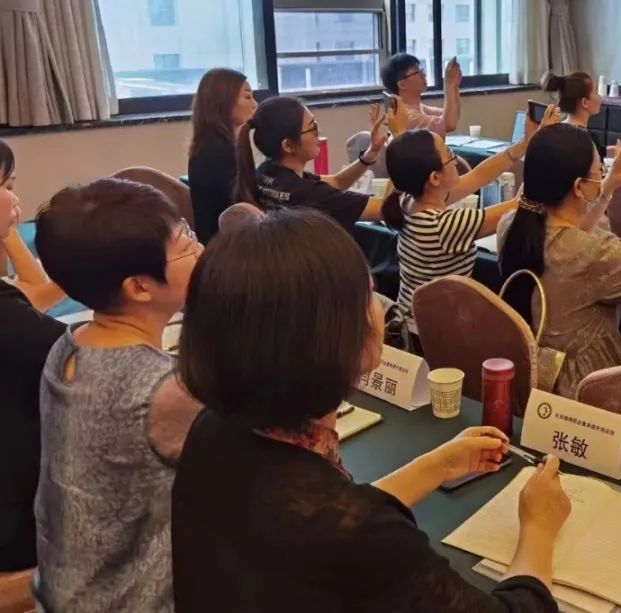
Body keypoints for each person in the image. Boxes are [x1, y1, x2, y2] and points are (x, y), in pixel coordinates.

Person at [171, 208, 570, 612]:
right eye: (369, 294)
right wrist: (539, 527)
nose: (378, 309)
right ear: (330, 337)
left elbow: (324, 518)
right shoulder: (364, 541)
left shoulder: (212, 430)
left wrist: (437, 466)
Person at [33, 178, 204, 611]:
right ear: (140, 287)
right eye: (185, 241)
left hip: (65, 593)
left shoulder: (68, 345)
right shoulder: (161, 390)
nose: (200, 248)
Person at [499, 124, 621, 397]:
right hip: (584, 390)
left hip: (527, 376)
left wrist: (605, 189)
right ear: (579, 187)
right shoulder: (594, 253)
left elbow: (568, 237)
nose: (601, 178)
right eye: (598, 173)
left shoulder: (511, 226)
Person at [383, 104, 560, 314]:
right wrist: (540, 148)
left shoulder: (407, 202)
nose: (455, 158)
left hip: (411, 319)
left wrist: (526, 142)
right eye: (449, 154)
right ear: (435, 178)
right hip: (436, 328)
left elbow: (478, 175)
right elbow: (522, 204)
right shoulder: (443, 226)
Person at [0, 140, 66, 572]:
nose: (14, 198)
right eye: (6, 186)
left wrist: (6, 233)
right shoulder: (11, 322)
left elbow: (34, 291)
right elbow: (68, 353)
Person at [235, 96, 387, 229]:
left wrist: (370, 154)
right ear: (288, 145)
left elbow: (338, 181)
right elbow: (385, 209)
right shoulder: (309, 194)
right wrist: (397, 140)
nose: (318, 133)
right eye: (312, 128)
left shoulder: (265, 172)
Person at [187, 68, 259, 243]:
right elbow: (237, 213)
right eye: (247, 97)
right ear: (223, 101)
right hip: (226, 247)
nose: (255, 104)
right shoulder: (217, 152)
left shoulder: (210, 144)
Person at [381, 52, 461, 136]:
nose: (424, 75)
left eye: (421, 70)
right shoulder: (408, 116)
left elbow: (454, 115)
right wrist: (449, 84)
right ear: (402, 84)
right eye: (418, 72)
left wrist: (455, 86)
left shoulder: (417, 107)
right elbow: (449, 124)